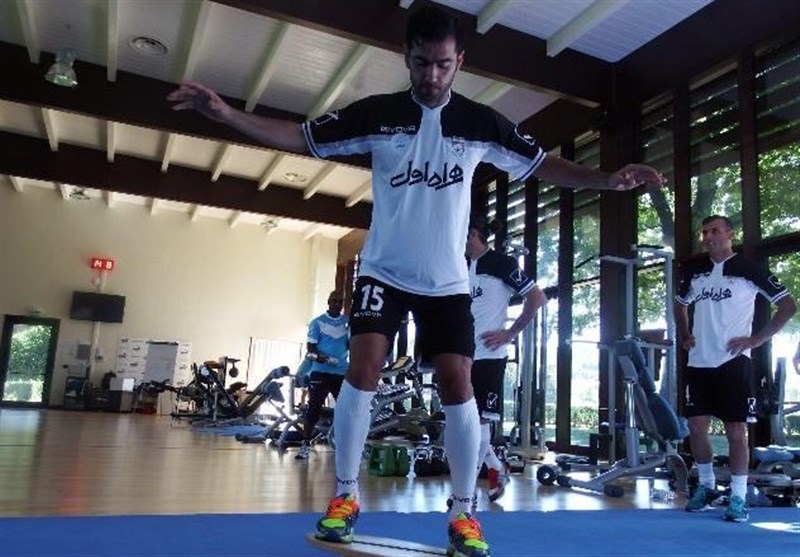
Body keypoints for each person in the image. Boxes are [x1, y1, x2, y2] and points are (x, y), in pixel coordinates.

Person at [168, 6, 665, 555]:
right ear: (407, 57)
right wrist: (227, 114)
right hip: (384, 270)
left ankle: (463, 513)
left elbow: (541, 163)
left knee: (458, 382)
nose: (432, 75)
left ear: (460, 62)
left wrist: (607, 181)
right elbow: (301, 136)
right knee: (362, 368)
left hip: (446, 281)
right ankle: (346, 496)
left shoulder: (480, 123)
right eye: (422, 63)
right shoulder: (378, 114)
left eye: (443, 65)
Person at [675, 215, 796, 523]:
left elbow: (787, 305)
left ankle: (739, 497)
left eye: (715, 231)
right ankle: (706, 486)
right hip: (698, 361)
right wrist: (685, 334)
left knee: (736, 432)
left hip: (733, 361)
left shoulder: (749, 269)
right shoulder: (695, 272)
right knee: (696, 428)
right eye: (704, 232)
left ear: (730, 234)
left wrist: (756, 340)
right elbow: (680, 304)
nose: (708, 237)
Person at [465, 214, 546, 504]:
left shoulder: (502, 263)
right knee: (464, 424)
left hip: (489, 356)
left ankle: (465, 494)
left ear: (473, 235)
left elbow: (537, 297)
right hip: (463, 356)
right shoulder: (461, 266)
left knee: (480, 424)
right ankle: (497, 468)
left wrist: (510, 333)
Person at [296, 291, 349, 460]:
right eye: (334, 300)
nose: (337, 304)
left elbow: (352, 345)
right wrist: (323, 359)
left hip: (341, 373)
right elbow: (310, 350)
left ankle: (346, 446)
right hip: (320, 372)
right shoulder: (317, 322)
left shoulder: (347, 322)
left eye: (340, 301)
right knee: (314, 408)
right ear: (328, 301)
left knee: (346, 409)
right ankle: (305, 445)